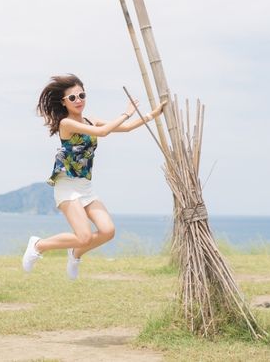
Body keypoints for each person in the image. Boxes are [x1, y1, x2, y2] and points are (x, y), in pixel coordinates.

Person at [22, 73, 164, 279]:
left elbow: (124, 128)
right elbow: (104, 132)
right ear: (63, 102)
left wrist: (152, 115)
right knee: (84, 235)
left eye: (82, 95)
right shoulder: (66, 123)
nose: (78, 100)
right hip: (67, 185)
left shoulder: (90, 119)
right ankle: (38, 245)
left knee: (108, 231)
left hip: (85, 186)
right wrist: (126, 112)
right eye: (72, 98)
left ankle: (75, 253)